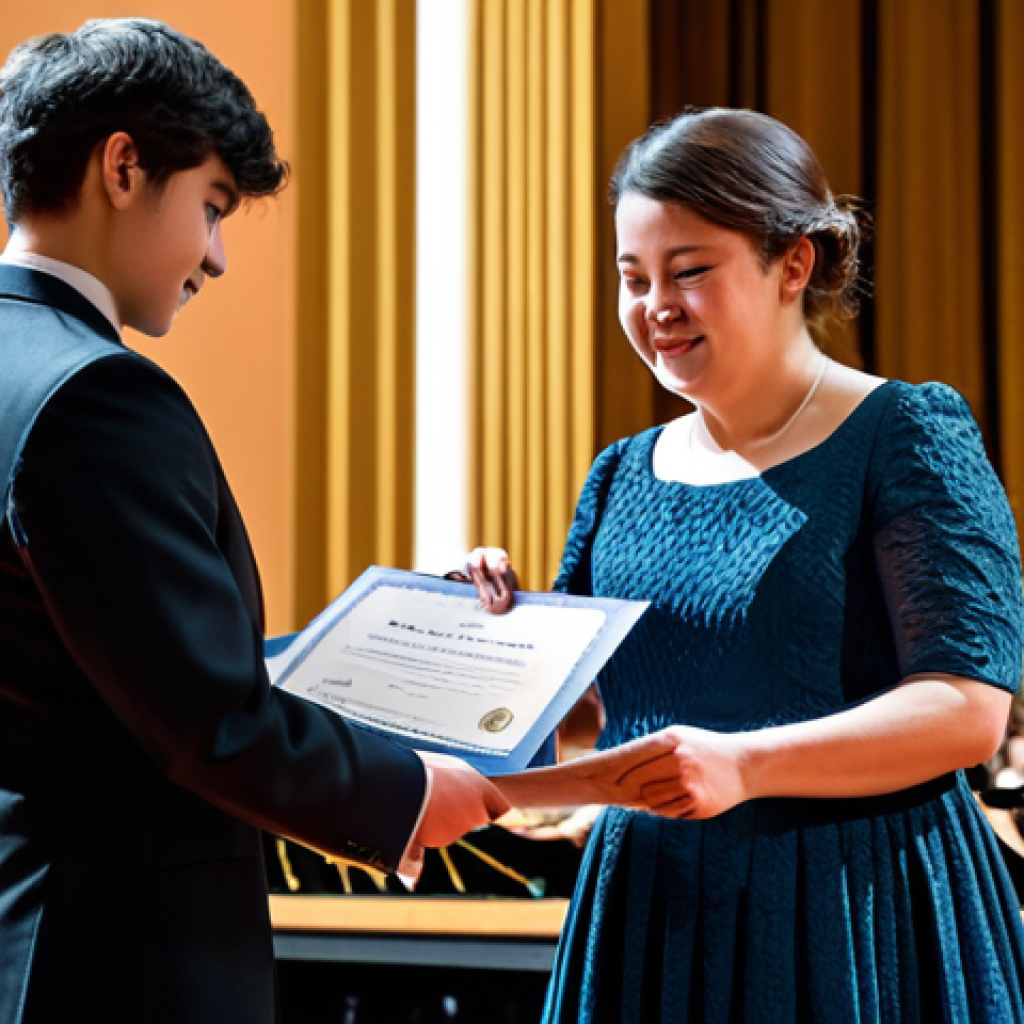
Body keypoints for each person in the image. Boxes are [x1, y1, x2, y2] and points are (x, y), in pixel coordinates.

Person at [0, 20, 506, 1024]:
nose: (218, 257)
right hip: (118, 952)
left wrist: (395, 642)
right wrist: (404, 791)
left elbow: (111, 670)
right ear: (124, 165)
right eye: (213, 206)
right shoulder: (97, 395)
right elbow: (207, 723)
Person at [479, 108, 1024, 1022]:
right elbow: (581, 723)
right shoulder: (620, 472)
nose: (656, 306)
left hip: (854, 906)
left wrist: (746, 764)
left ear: (794, 265)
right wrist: (482, 629)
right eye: (632, 277)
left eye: (689, 272)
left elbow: (968, 711)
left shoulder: (905, 432)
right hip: (648, 904)